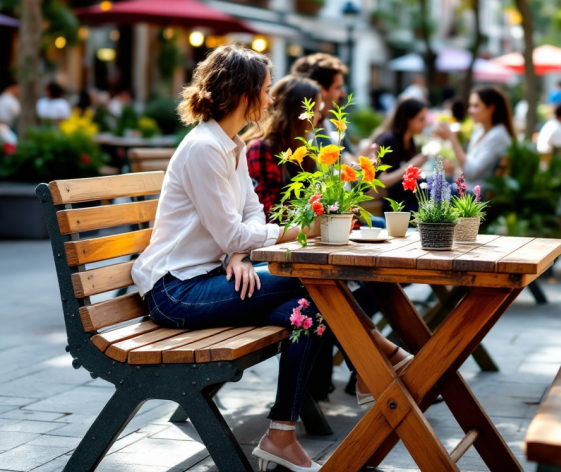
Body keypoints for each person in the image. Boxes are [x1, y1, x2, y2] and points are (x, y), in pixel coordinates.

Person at [131, 44, 411, 472]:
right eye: (263, 90)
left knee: (311, 309)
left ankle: (282, 433)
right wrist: (299, 231)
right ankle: (378, 355)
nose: (269, 99)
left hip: (209, 277)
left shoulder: (232, 144)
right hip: (175, 290)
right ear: (242, 94)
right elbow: (231, 230)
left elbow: (250, 214)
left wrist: (241, 255)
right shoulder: (204, 148)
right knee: (315, 280)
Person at [243, 76, 322, 217]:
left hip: (301, 234)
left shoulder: (305, 151)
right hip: (278, 236)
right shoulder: (261, 149)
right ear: (299, 113)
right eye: (315, 109)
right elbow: (266, 213)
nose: (319, 116)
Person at [433, 86, 514, 190]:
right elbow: (468, 165)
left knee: (426, 187)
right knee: (428, 181)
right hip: (465, 188)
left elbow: (470, 172)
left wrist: (452, 139)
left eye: (476, 106)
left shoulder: (498, 135)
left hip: (476, 197)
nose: (470, 110)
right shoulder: (480, 131)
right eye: (470, 105)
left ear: (491, 108)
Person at [290, 53, 355, 165]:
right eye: (338, 88)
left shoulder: (332, 125)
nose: (343, 94)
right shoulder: (295, 132)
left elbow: (351, 166)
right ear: (320, 90)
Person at [371, 98, 429, 214]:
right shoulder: (388, 141)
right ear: (409, 120)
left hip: (406, 200)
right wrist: (411, 165)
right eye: (421, 119)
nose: (425, 124)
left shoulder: (410, 141)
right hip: (393, 205)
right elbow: (383, 180)